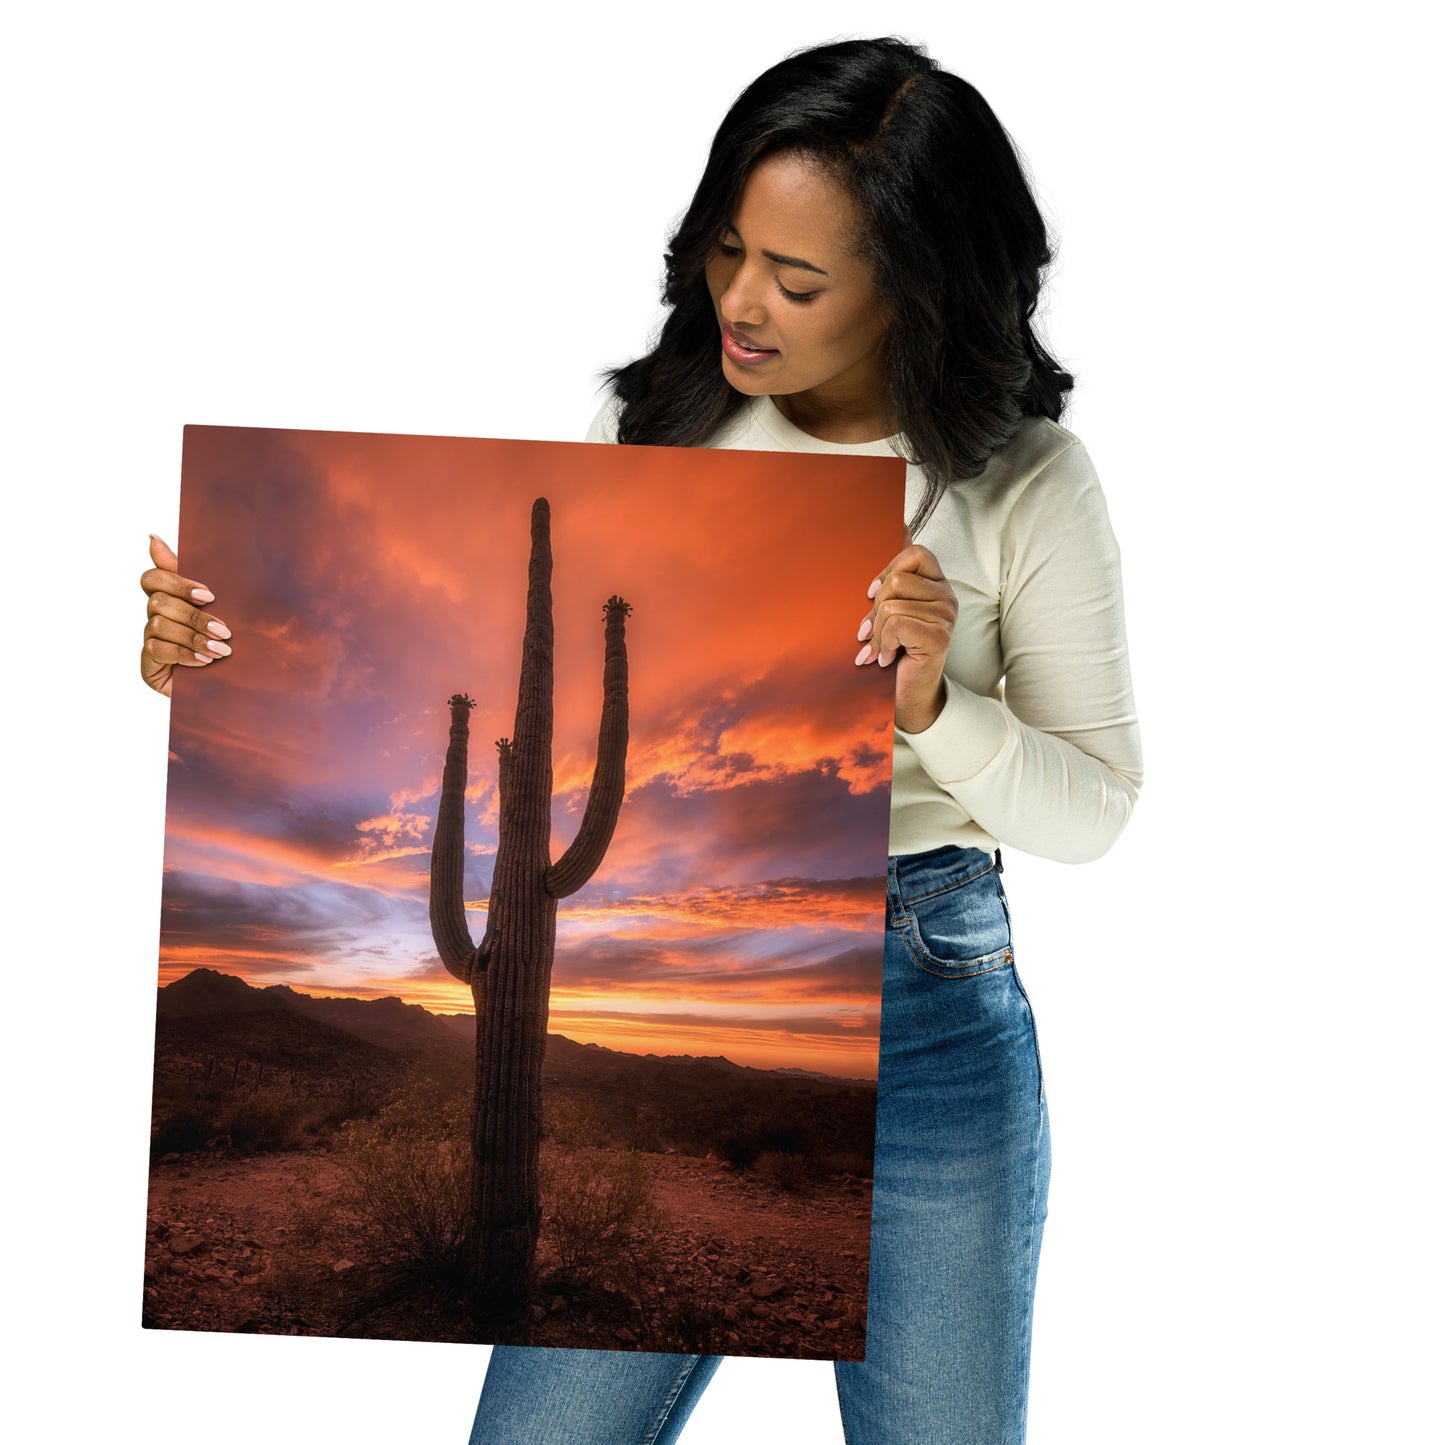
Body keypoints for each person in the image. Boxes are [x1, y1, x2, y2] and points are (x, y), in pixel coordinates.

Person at [139, 36, 1142, 1445]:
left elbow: (1095, 807)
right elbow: (491, 678)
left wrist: (932, 709)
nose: (741, 301)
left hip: (930, 1009)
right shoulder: (654, 418)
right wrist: (221, 660)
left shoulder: (1027, 479)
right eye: (728, 249)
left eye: (796, 280)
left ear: (915, 281)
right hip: (620, 953)